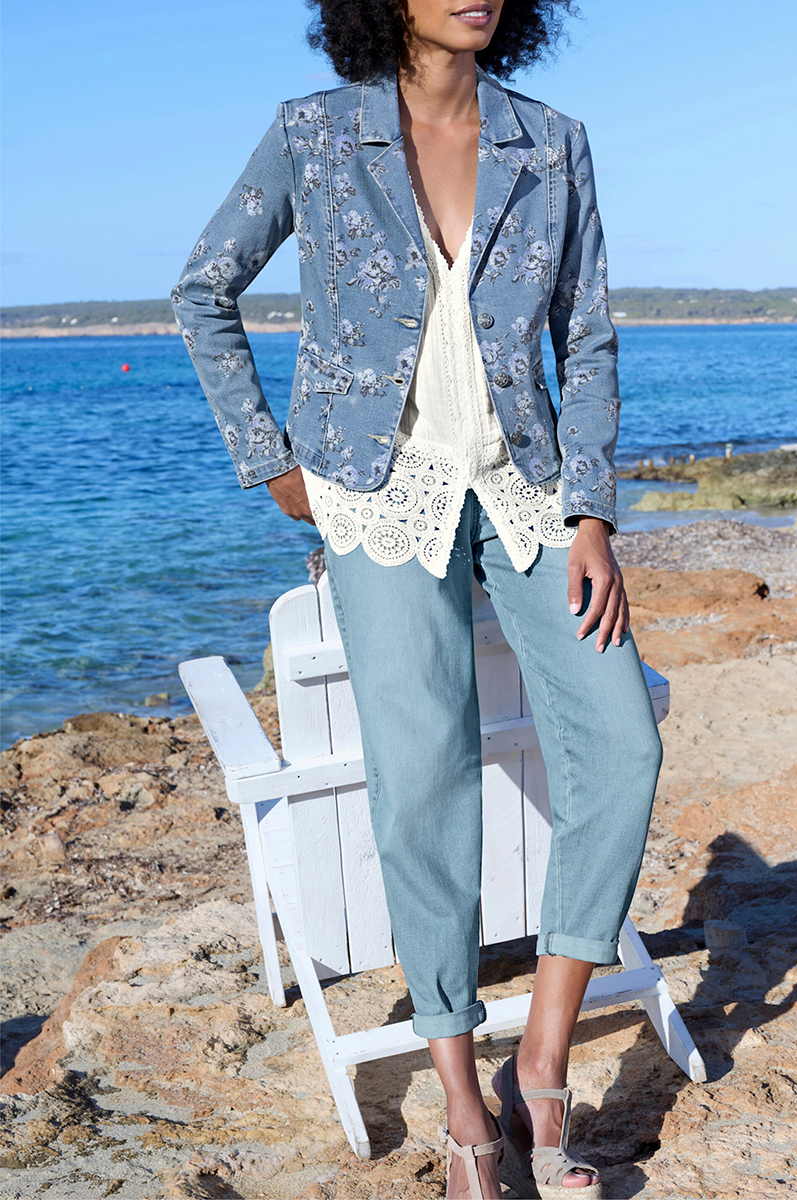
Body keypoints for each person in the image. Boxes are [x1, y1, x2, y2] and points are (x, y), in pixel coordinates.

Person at [173, 1, 663, 1195]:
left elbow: (587, 337)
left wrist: (592, 515)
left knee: (622, 743)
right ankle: (462, 1103)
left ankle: (540, 1063)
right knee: (422, 779)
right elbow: (203, 288)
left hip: (528, 489)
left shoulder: (552, 141)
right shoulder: (314, 133)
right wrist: (270, 459)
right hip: (372, 498)